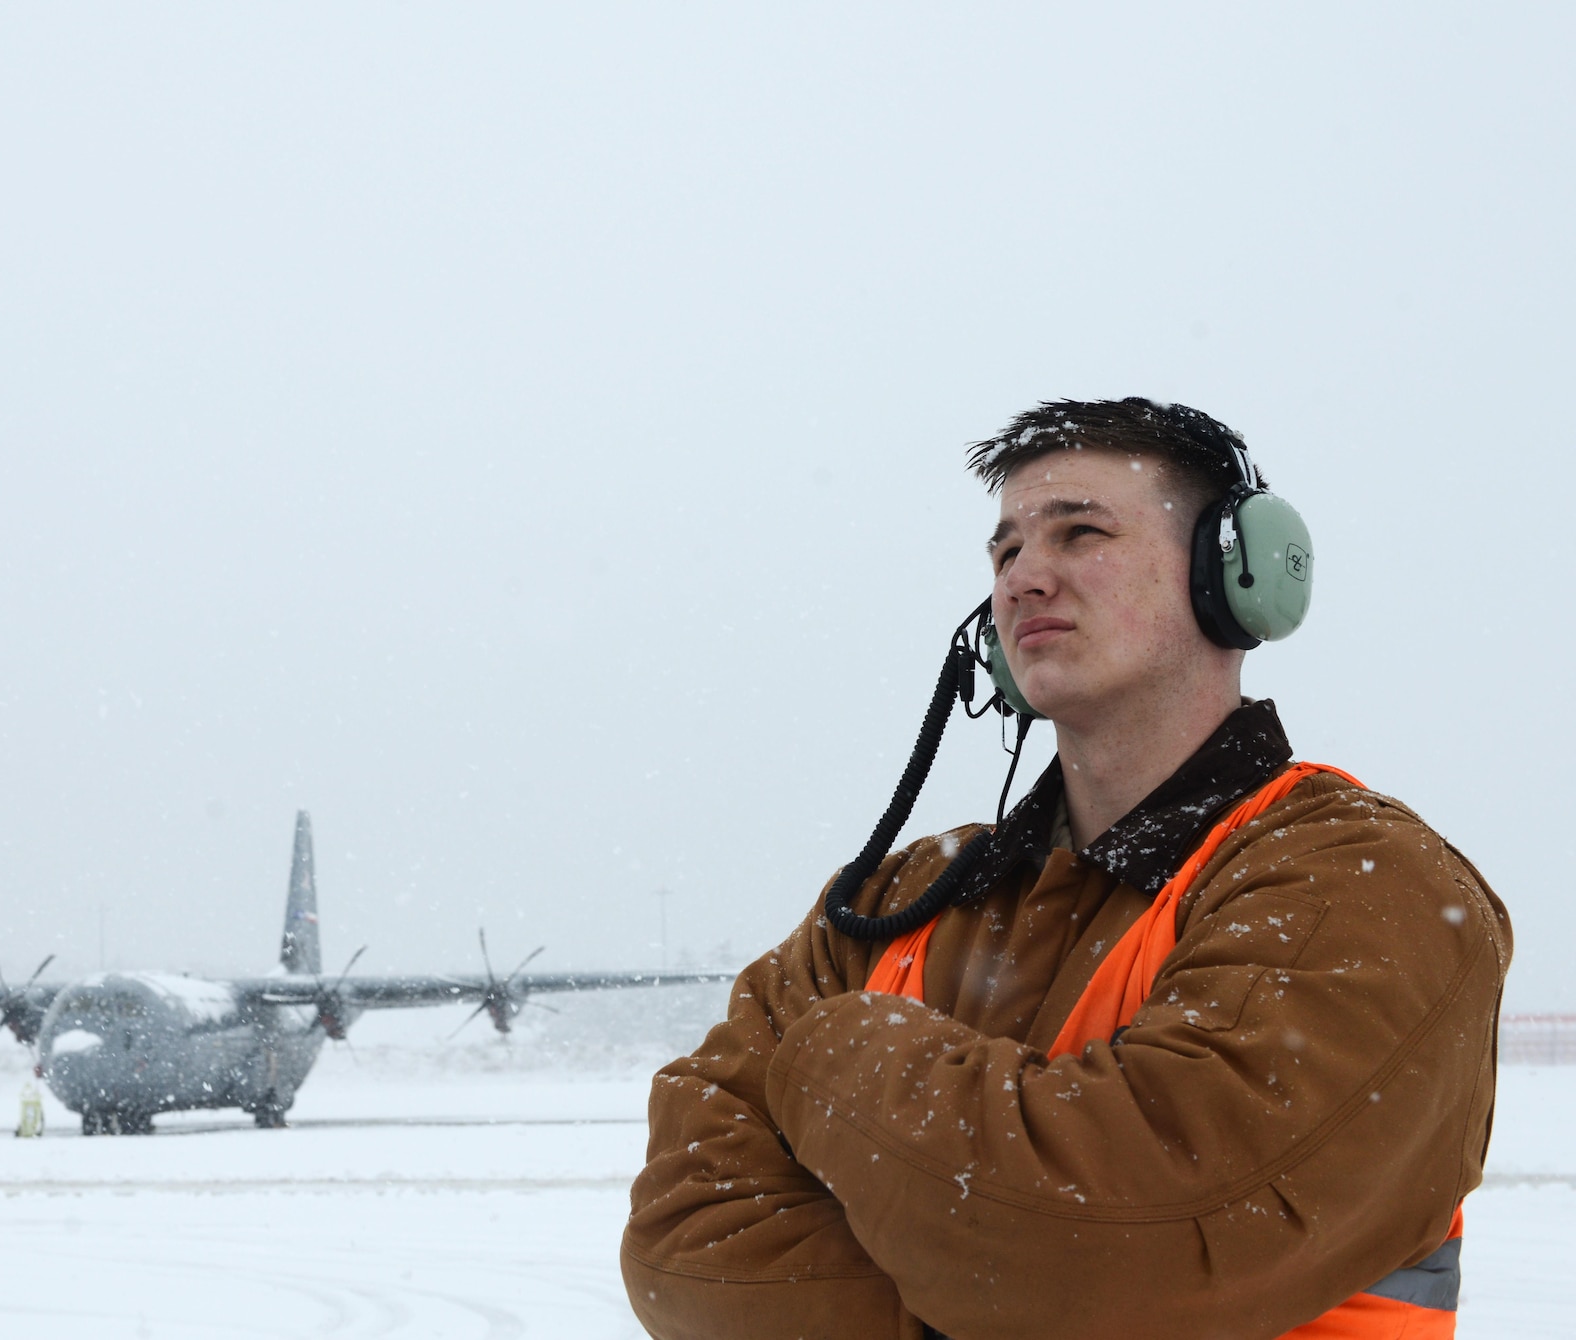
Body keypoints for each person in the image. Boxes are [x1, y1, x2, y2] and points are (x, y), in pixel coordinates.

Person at [621, 398, 1510, 1340]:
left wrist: (833, 1054)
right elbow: (680, 1249)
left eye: (1080, 533)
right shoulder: (898, 897)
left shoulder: (1363, 881)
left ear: (1231, 574)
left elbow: (1117, 1254)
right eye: (1005, 554)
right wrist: (974, 1285)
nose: (1024, 580)